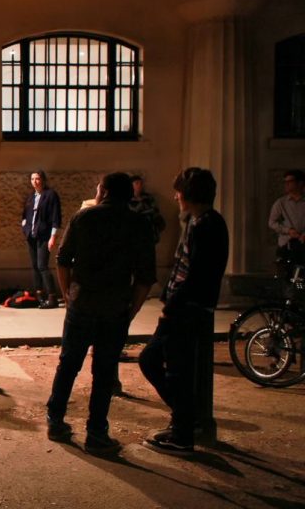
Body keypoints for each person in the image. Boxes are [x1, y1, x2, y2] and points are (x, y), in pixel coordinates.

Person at [46, 172, 155, 455]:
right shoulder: (138, 223)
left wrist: (68, 294)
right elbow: (145, 277)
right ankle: (96, 433)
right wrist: (132, 309)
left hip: (82, 303)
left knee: (69, 364)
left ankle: (55, 420)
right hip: (115, 306)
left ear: (103, 191)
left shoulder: (84, 218)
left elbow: (62, 259)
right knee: (104, 372)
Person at [139, 167, 228, 457]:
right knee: (169, 366)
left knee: (159, 363)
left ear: (189, 194)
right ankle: (183, 422)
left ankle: (183, 431)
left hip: (186, 310)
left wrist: (171, 306)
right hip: (183, 306)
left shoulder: (205, 226)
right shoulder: (200, 221)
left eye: (179, 191)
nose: (175, 195)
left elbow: (195, 274)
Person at [21, 170, 62, 307]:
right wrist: (25, 226)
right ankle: (39, 295)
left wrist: (53, 237)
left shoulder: (51, 195)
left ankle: (52, 297)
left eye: (37, 178)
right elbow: (25, 215)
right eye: (32, 179)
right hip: (31, 236)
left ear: (43, 180)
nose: (35, 181)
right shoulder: (31, 197)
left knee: (42, 266)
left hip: (44, 236)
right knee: (35, 267)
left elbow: (56, 218)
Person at [267, 169, 305, 268]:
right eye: (285, 182)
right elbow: (272, 222)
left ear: (300, 183)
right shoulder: (280, 203)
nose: (286, 184)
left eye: (290, 181)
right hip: (287, 244)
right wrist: (288, 230)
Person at [130, 174, 167, 245]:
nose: (139, 185)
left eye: (141, 183)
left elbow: (155, 210)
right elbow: (133, 214)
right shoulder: (128, 200)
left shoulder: (148, 197)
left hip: (150, 232)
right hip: (136, 233)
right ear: (131, 185)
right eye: (137, 183)